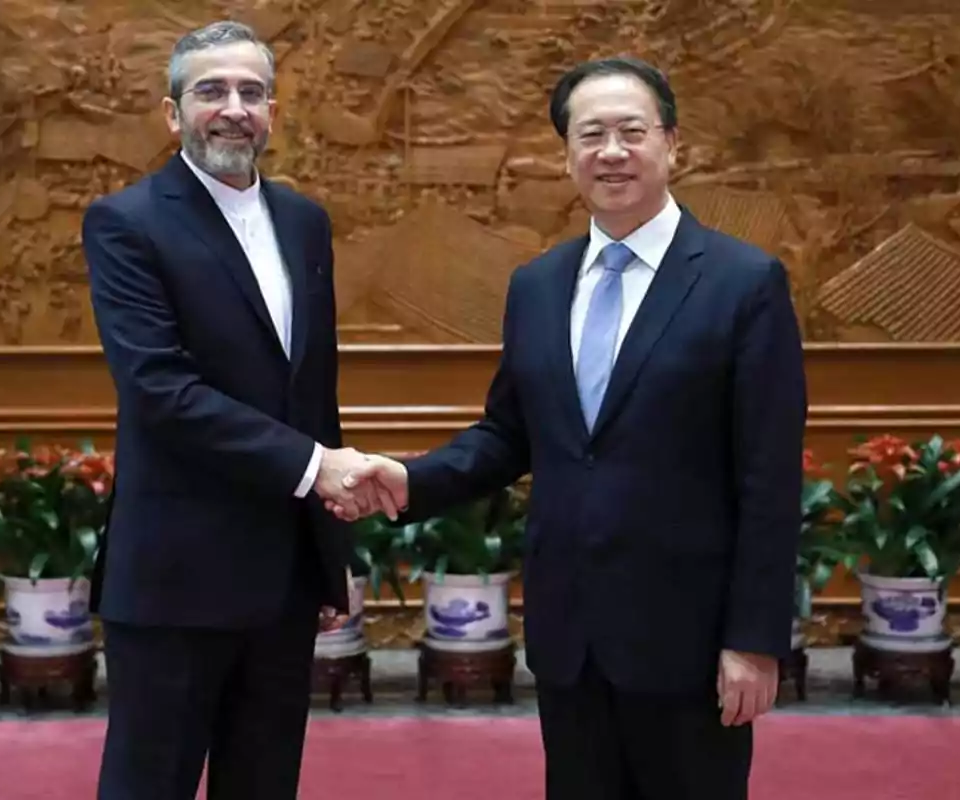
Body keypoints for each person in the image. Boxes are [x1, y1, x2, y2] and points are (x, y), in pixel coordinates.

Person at [332, 56, 808, 800]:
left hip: (688, 641)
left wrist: (753, 641)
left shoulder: (742, 283)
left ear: (672, 145)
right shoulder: (539, 285)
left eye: (630, 132)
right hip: (572, 639)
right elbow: (508, 434)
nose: (610, 152)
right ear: (567, 156)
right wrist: (410, 479)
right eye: (591, 135)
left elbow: (770, 476)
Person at [82, 21, 393, 800]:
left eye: (251, 93)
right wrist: (318, 468)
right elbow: (160, 390)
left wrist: (328, 559)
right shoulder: (127, 223)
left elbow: (312, 396)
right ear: (171, 112)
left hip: (280, 581)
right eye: (211, 90)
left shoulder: (304, 222)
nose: (232, 108)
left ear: (274, 114)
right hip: (175, 580)